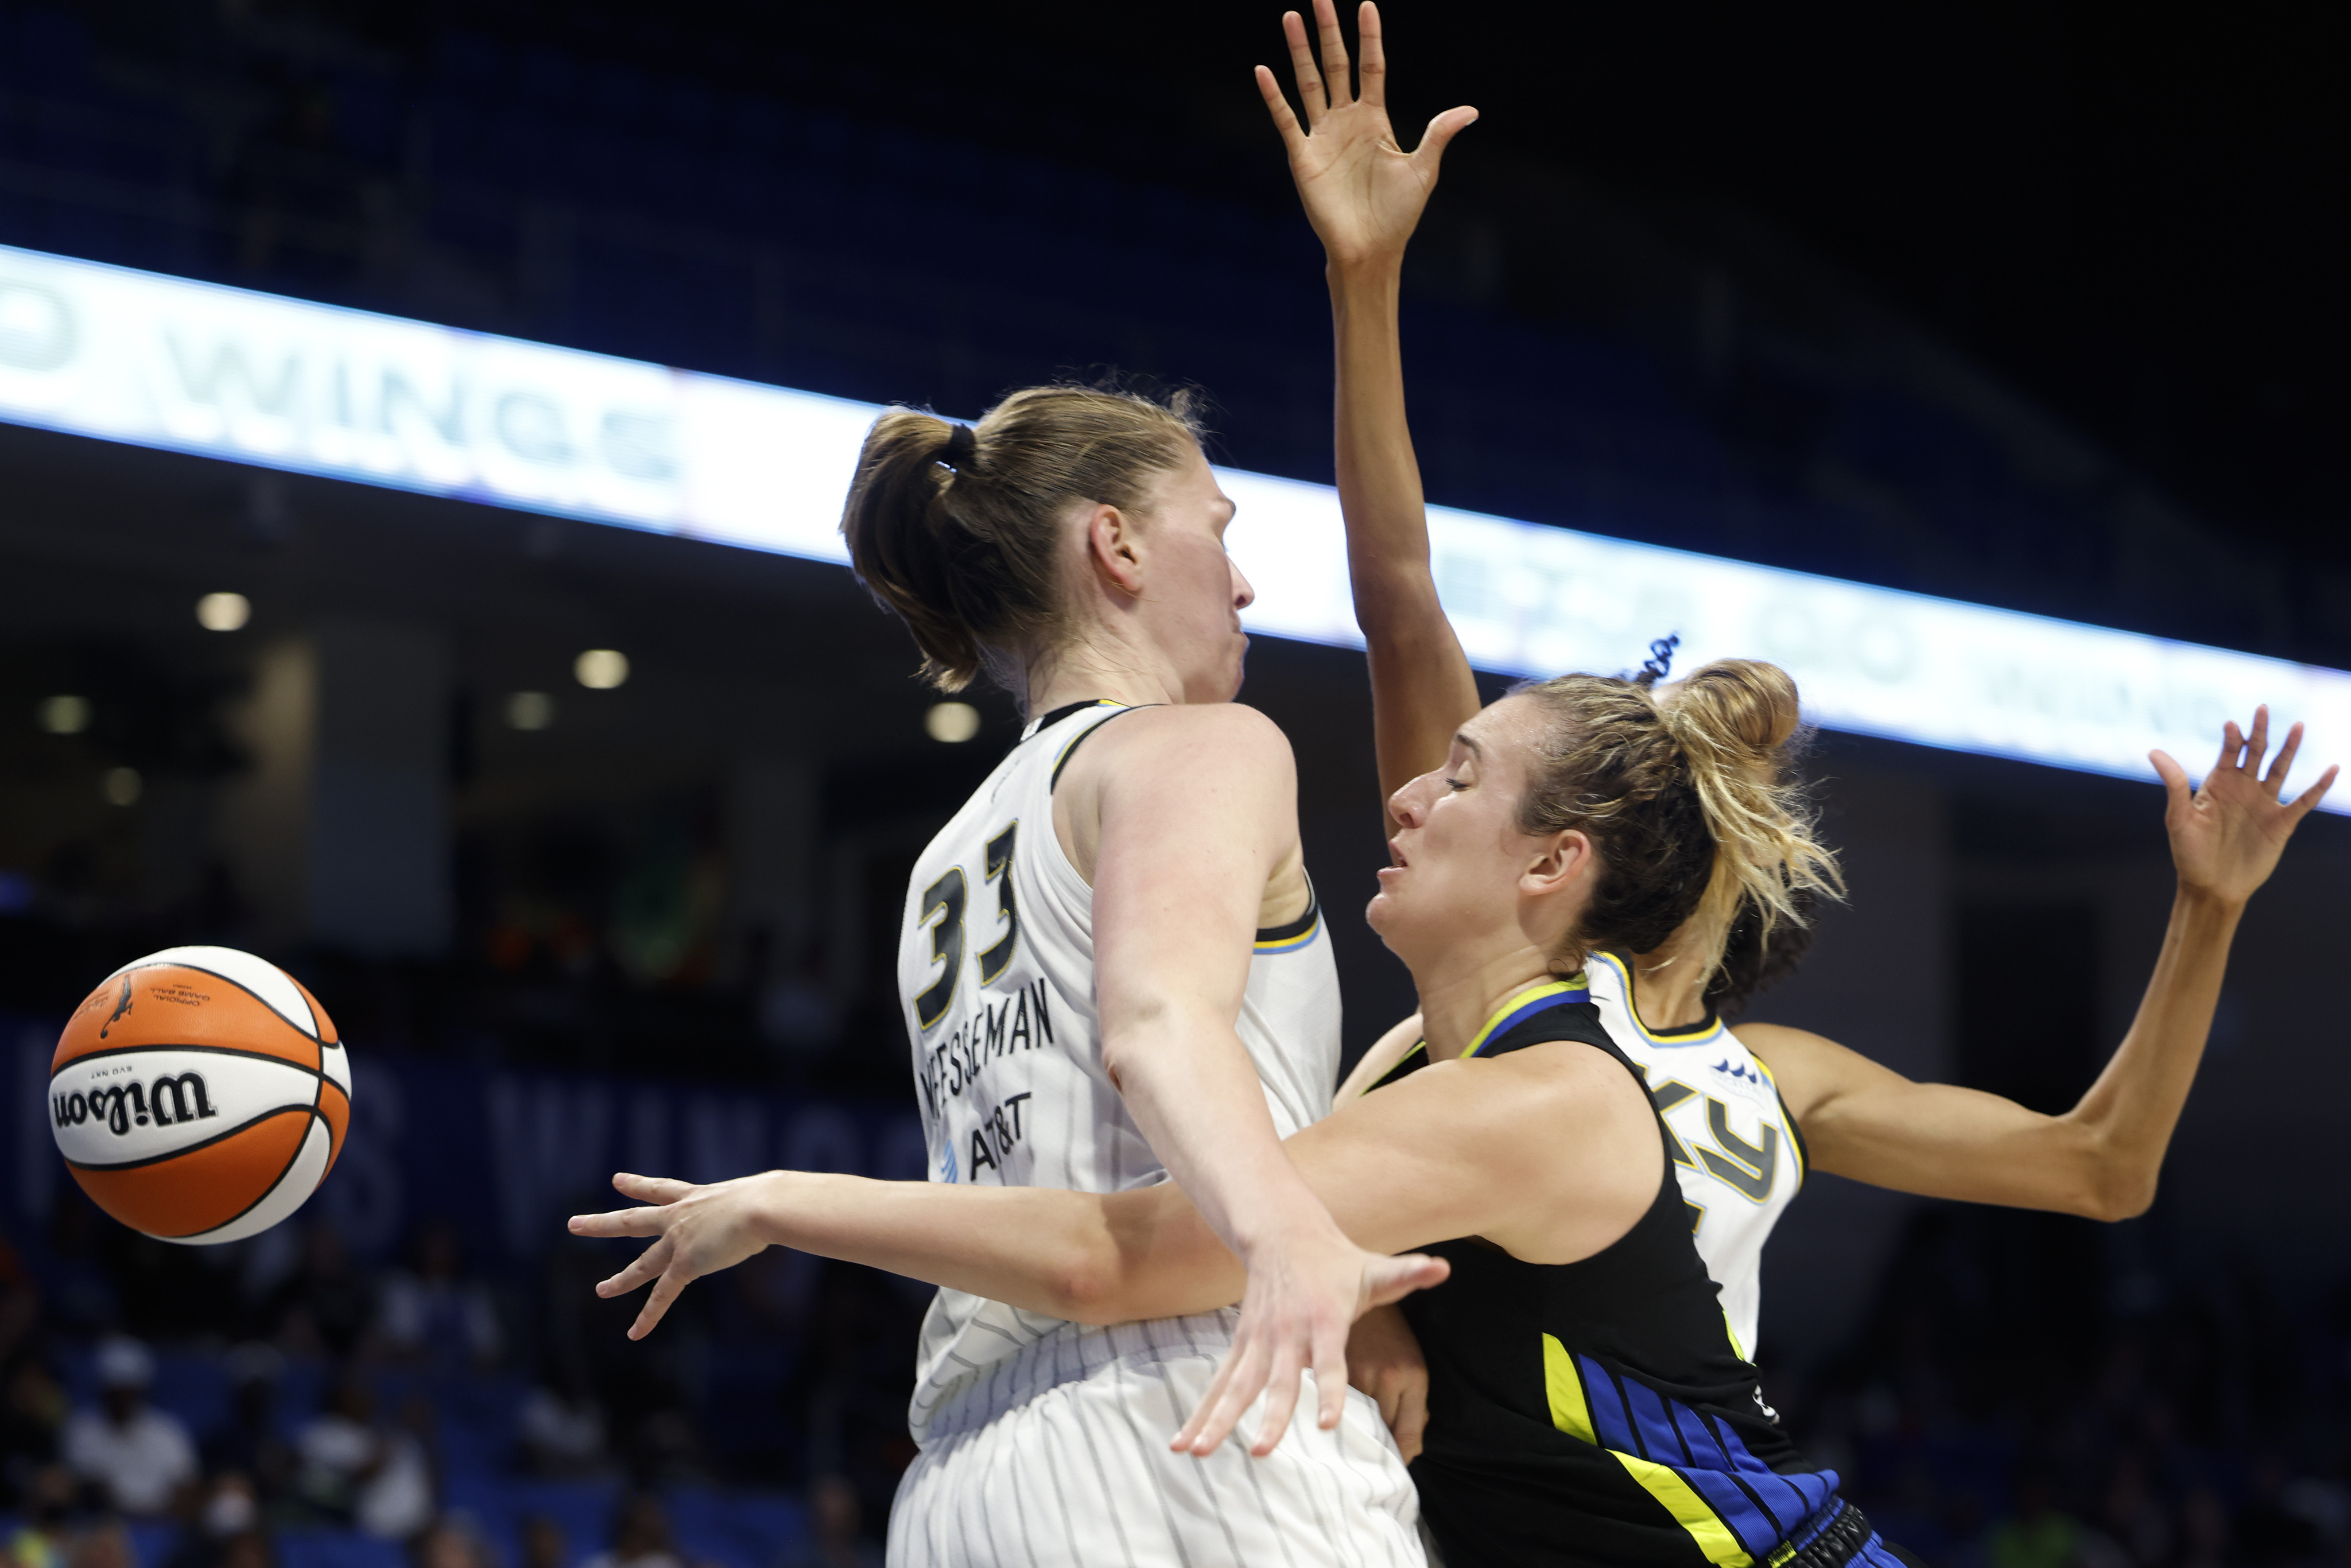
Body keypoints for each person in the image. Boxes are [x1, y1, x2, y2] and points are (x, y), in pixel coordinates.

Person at [1267, 0, 2338, 1408]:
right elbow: (1399, 594)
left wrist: (2210, 908)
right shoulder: (1506, 996)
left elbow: (2102, 1166)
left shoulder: (1765, 1075)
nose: (1436, 796)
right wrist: (1366, 276)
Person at [576, 649, 1930, 1566]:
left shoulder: (1540, 1099)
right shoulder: (1443, 1076)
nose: (1407, 793)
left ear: (1551, 864)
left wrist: (773, 1201)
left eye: (1459, 775)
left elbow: (1116, 1260)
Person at [824, 383, 1439, 1557]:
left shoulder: (945, 859)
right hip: (1200, 1414)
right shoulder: (1201, 745)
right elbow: (1154, 1019)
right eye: (1217, 530)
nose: (1243, 583)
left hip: (968, 1479)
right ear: (1114, 541)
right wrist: (1283, 1234)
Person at [59, 1337, 195, 1519]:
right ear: (103, 1389)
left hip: (162, 1524)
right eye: (116, 1390)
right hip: (103, 1522)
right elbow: (90, 1489)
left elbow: (186, 1487)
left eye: (129, 1389)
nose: (123, 1398)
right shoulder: (81, 1428)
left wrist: (155, 1518)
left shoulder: (167, 1429)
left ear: (142, 1390)